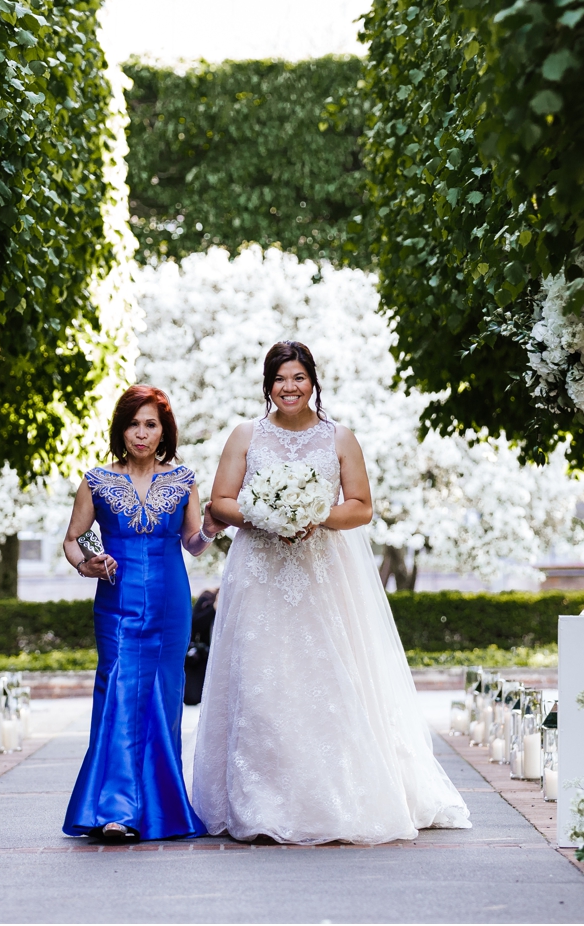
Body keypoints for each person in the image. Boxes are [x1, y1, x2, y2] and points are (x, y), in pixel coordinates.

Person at [192, 341, 470, 844]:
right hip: (260, 574)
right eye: (280, 379)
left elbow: (361, 506)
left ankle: (337, 797)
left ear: (313, 381)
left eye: (298, 377)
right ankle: (259, 803)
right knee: (261, 676)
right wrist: (267, 516)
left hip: (323, 573)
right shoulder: (245, 436)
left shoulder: (339, 438)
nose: (289, 387)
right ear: (267, 386)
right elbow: (222, 502)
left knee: (327, 675)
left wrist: (313, 516)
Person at [60, 385, 223, 843]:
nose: (141, 432)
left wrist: (209, 527)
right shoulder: (96, 481)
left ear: (163, 431)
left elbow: (192, 542)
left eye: (150, 424)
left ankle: (160, 809)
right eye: (133, 423)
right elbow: (72, 540)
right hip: (116, 602)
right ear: (121, 428)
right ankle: (115, 809)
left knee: (163, 700)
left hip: (172, 603)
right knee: (118, 693)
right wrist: (85, 564)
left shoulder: (183, 479)